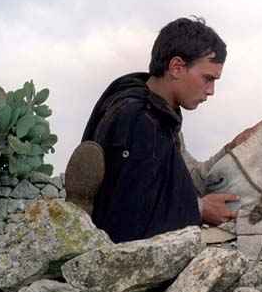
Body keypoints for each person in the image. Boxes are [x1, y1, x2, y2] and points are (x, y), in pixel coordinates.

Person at [66, 17, 238, 243]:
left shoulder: (159, 115)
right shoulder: (138, 119)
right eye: (207, 78)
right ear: (177, 67)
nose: (211, 90)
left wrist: (232, 148)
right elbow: (129, 217)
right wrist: (200, 209)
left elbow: (182, 180)